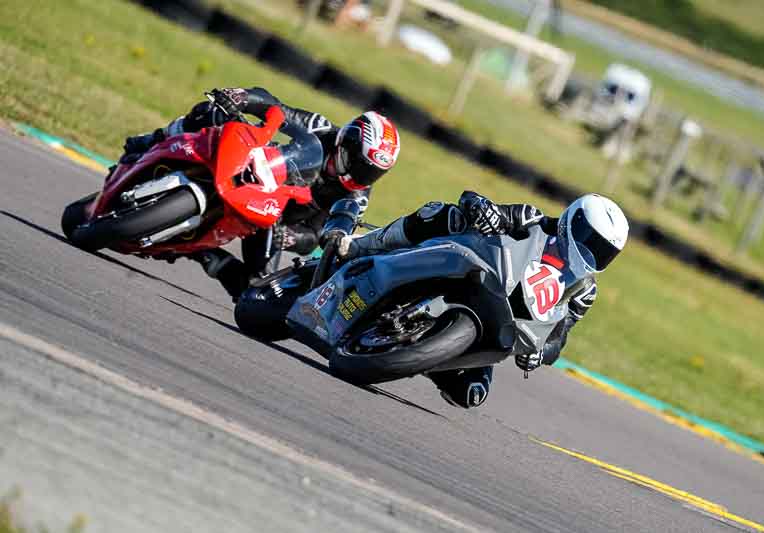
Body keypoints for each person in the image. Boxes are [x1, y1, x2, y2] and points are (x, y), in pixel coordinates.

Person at [336, 191, 629, 409]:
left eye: (602, 252)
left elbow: (559, 335)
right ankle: (362, 246)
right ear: (572, 223)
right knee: (442, 214)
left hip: (497, 326)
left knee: (471, 393)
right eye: (590, 241)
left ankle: (416, 353)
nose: (591, 254)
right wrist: (484, 210)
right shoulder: (532, 220)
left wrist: (542, 354)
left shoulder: (583, 292)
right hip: (473, 274)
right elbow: (474, 201)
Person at [122, 87, 401, 299]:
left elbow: (318, 236)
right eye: (362, 165)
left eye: (373, 172)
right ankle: (153, 140)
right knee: (213, 112)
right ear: (348, 143)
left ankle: (204, 254)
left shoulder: (356, 197)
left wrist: (290, 237)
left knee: (257, 294)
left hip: (270, 218)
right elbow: (277, 109)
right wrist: (242, 97)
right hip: (253, 167)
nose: (362, 176)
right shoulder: (320, 127)